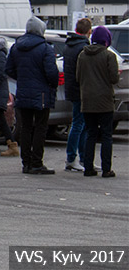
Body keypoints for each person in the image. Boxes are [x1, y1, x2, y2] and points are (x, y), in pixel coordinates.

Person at [4, 16, 59, 174]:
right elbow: (52, 73)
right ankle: (37, 162)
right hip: (41, 93)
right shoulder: (45, 48)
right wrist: (50, 85)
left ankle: (26, 163)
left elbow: (9, 69)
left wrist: (22, 78)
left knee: (26, 128)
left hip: (23, 91)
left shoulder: (16, 47)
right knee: (40, 128)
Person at [76, 25, 120, 178]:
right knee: (106, 135)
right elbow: (114, 78)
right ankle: (106, 169)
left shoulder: (82, 55)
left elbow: (78, 77)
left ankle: (88, 168)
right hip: (105, 100)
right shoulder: (109, 56)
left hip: (87, 100)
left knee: (90, 134)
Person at [60, 17, 92, 171]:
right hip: (81, 89)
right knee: (79, 124)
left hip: (72, 88)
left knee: (80, 123)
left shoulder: (69, 45)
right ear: (89, 31)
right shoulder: (83, 47)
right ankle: (73, 158)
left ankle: (82, 158)